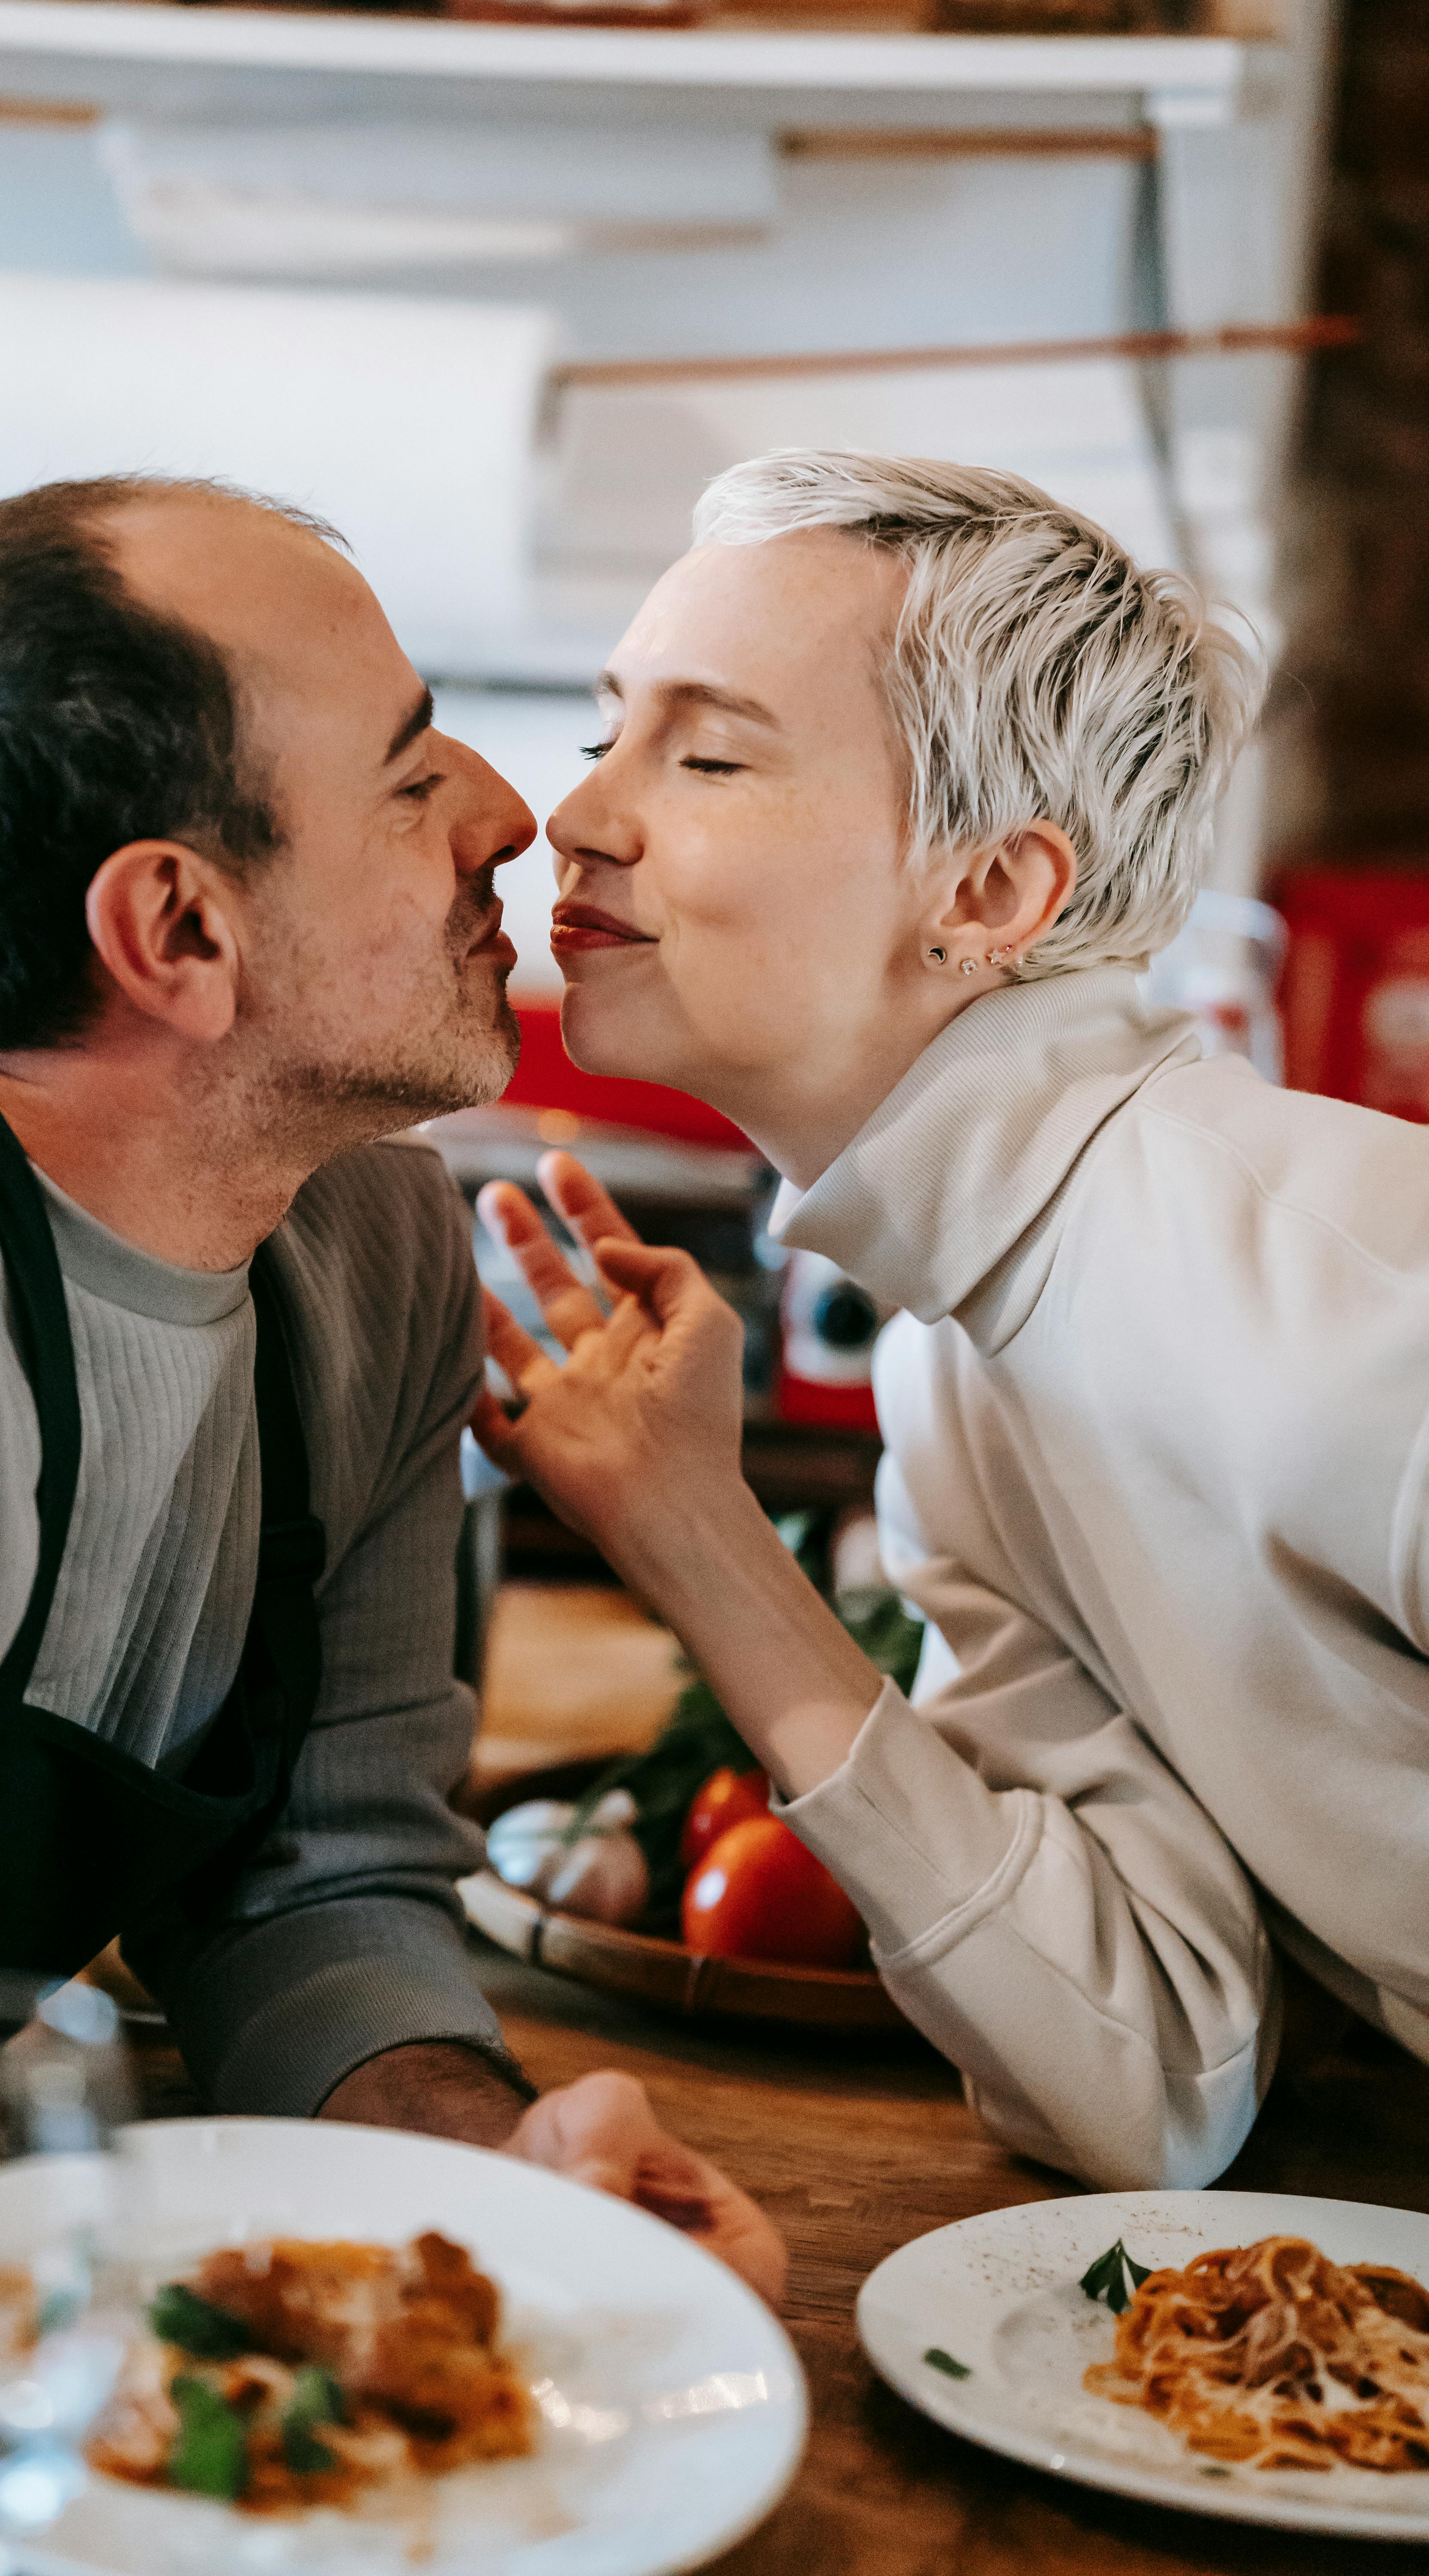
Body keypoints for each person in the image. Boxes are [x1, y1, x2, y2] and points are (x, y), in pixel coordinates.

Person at [0, 477, 781, 2571]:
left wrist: (493, 2185)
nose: (510, 811)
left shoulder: (368, 1246)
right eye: (408, 770)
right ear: (178, 933)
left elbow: (319, 1876)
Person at [474, 445, 1429, 2202]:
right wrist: (696, 1541)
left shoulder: (1355, 1297)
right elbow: (1149, 2080)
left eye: (706, 753)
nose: (583, 816)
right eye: (607, 731)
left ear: (989, 896)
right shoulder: (952, 1371)